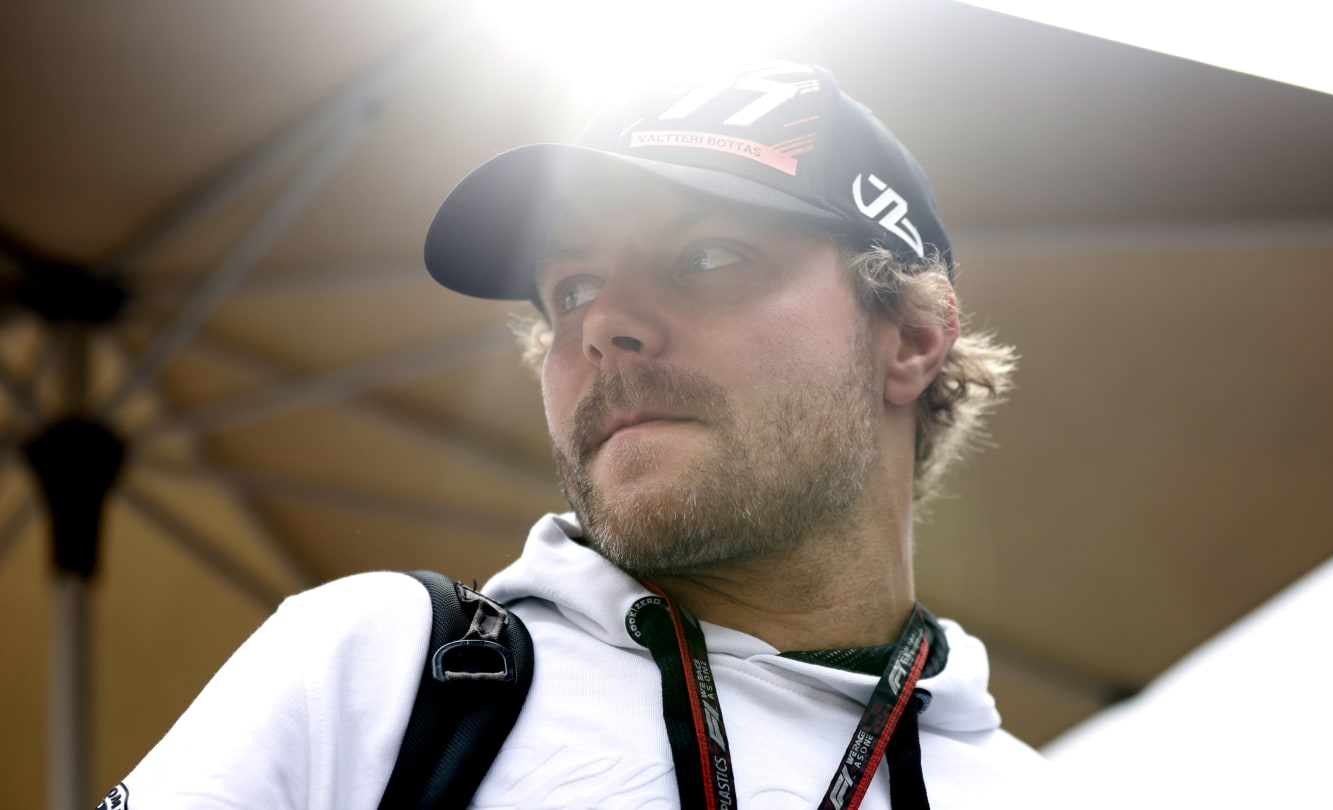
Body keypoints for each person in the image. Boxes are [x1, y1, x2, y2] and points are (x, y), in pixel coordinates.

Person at [107, 59, 1052, 808]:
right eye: (572, 289)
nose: (604, 323)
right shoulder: (383, 674)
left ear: (915, 338)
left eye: (707, 255)